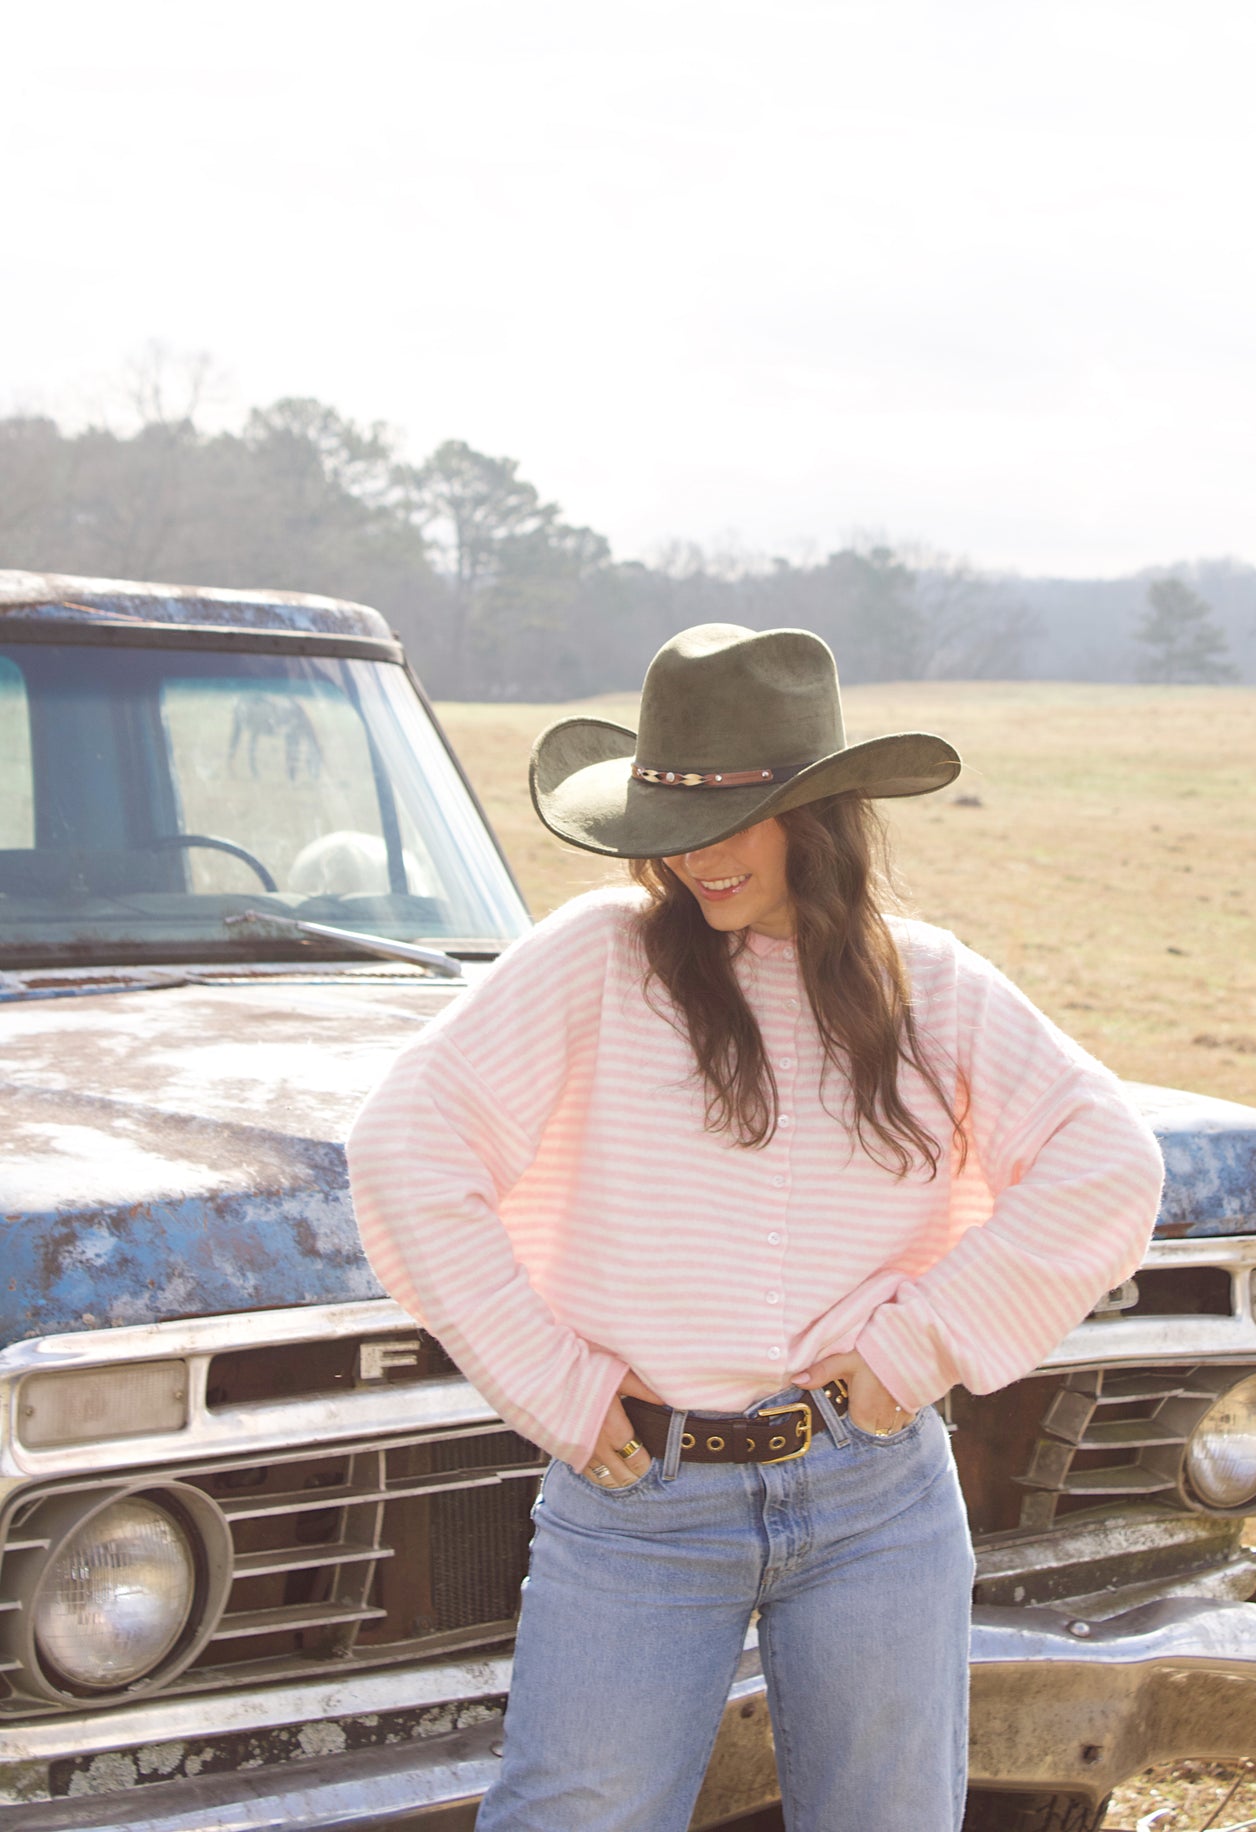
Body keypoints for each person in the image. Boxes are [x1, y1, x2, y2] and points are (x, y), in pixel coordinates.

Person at [347, 623, 1164, 1832]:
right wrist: (553, 1388)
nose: (695, 857)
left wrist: (914, 1348)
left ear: (819, 814)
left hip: (873, 1489)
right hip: (641, 1498)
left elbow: (1107, 1163)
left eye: (736, 815)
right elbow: (404, 1149)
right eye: (670, 823)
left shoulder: (924, 985)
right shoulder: (596, 959)